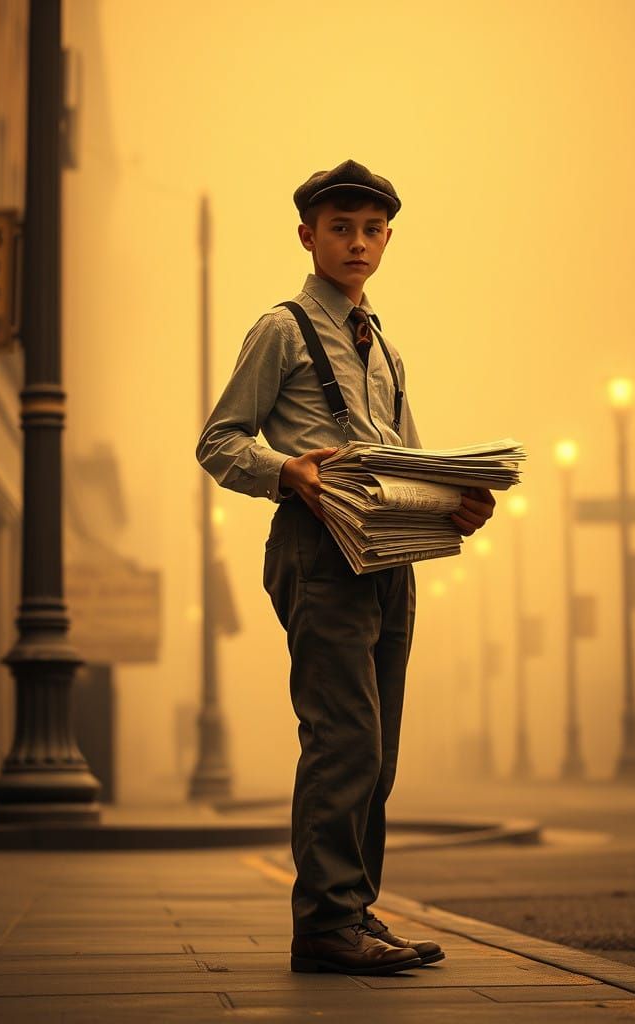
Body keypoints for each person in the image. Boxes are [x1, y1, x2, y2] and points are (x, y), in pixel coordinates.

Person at [196, 160, 495, 975]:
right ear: (309, 235)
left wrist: (457, 505)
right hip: (317, 549)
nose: (357, 242)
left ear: (388, 239)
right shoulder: (283, 329)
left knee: (380, 748)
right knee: (345, 739)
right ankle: (326, 925)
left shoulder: (386, 348)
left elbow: (408, 464)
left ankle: (356, 913)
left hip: (388, 556)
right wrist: (285, 472)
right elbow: (219, 442)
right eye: (340, 227)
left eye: (371, 229)